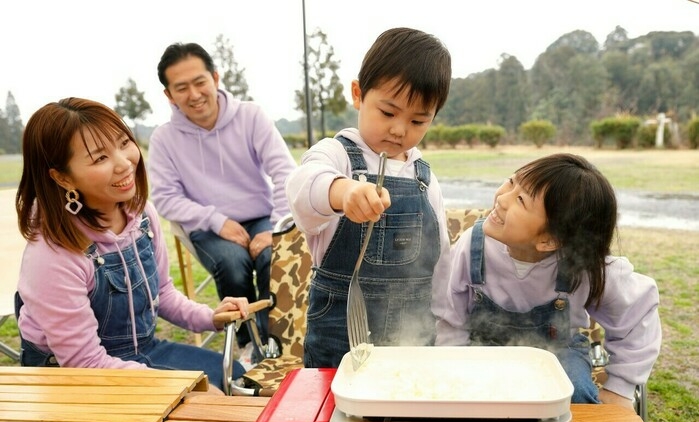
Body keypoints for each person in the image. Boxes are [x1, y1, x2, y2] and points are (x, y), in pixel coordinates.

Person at [15, 97, 249, 392]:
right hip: (73, 376)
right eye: (100, 158)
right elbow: (85, 364)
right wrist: (180, 388)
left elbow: (162, 292)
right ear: (62, 178)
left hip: (142, 351)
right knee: (209, 398)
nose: (125, 163)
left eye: (124, 143)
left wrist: (210, 317)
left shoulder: (141, 215)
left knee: (238, 378)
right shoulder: (52, 254)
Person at [438, 153, 661, 409]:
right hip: (482, 350)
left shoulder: (583, 266)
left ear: (549, 241)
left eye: (521, 200)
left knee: (573, 394)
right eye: (511, 182)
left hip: (558, 354)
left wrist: (620, 389)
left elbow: (638, 314)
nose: (502, 198)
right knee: (465, 398)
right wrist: (451, 370)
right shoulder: (473, 246)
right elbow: (450, 318)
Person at [286, 27, 452, 368]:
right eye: (388, 113)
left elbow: (443, 259)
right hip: (340, 329)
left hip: (413, 332)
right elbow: (303, 188)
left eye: (418, 120)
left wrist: (447, 327)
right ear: (358, 94)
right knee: (335, 411)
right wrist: (343, 191)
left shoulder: (424, 177)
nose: (399, 129)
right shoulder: (337, 156)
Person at [148, 42, 296, 352]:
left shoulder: (251, 116)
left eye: (200, 82)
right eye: (181, 87)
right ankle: (246, 344)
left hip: (260, 216)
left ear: (215, 78)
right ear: (168, 94)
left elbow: (284, 172)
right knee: (232, 263)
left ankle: (277, 346)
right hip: (207, 225)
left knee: (274, 255)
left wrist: (274, 228)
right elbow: (165, 197)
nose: (194, 94)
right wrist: (216, 221)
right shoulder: (164, 139)